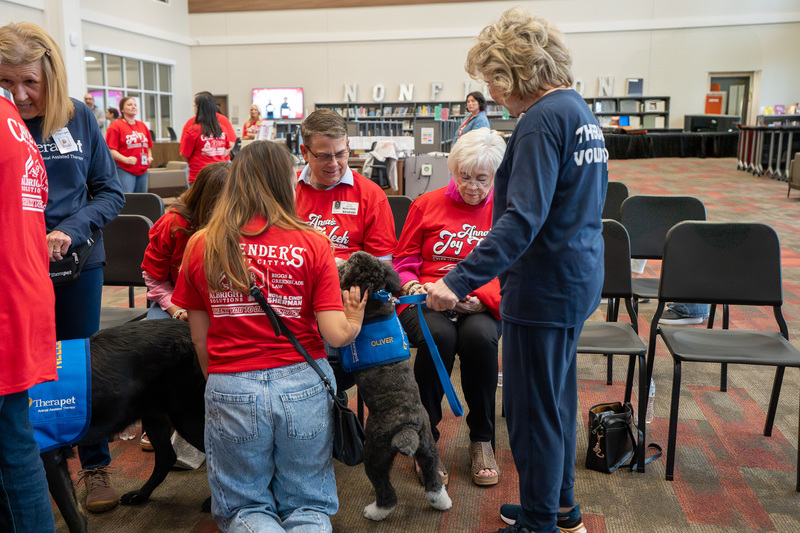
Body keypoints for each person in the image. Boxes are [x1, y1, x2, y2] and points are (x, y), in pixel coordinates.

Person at [424, 9, 605, 533]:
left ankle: (539, 522)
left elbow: (522, 219)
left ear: (517, 71)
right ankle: (558, 507)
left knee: (531, 412)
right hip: (576, 275)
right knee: (556, 402)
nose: (491, 93)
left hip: (545, 286)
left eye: (493, 79)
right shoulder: (578, 110)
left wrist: (455, 280)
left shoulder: (540, 120)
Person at [172, 140, 366, 532]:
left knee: (244, 507)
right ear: (286, 184)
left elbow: (199, 339)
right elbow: (335, 335)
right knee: (308, 505)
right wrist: (355, 318)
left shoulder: (202, 243)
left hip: (232, 381)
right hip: (302, 383)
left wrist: (222, 383)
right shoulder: (314, 243)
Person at [0, 22, 125, 514]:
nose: (20, 95)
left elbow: (110, 192)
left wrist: (71, 229)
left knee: (77, 366)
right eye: (6, 82)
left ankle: (95, 465)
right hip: (15, 268)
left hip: (75, 263)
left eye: (30, 82)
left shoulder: (79, 118)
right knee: (21, 372)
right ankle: (34, 466)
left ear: (51, 77)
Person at [394, 128, 505, 487]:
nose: (472, 187)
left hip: (480, 304)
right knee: (438, 337)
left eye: (482, 179)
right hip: (427, 298)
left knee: (481, 339)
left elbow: (513, 271)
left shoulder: (506, 212)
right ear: (453, 171)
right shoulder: (426, 204)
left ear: (496, 175)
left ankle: (482, 439)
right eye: (464, 176)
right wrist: (416, 287)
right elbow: (403, 262)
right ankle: (426, 440)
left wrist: (482, 300)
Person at [295, 108, 397, 391]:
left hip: (345, 298)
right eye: (324, 156)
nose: (334, 164)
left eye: (341, 154)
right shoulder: (288, 191)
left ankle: (329, 405)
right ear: (304, 152)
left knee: (330, 362)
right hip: (295, 295)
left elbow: (381, 269)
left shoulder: (370, 194)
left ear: (348, 146)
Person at [0, 86, 58, 533]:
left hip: (8, 298)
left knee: (12, 448)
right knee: (15, 444)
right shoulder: (13, 122)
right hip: (21, 292)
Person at [142, 162, 228, 320]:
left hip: (226, 303)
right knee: (158, 330)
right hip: (175, 300)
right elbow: (155, 279)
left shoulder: (245, 226)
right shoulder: (173, 224)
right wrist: (177, 312)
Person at [180, 92, 232, 184]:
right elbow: (227, 148)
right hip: (219, 176)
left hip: (199, 177)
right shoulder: (222, 129)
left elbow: (184, 154)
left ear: (199, 108)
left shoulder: (193, 130)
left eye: (194, 106)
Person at [106, 96, 153, 193]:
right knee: (128, 198)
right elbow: (110, 150)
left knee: (142, 199)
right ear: (122, 109)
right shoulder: (115, 126)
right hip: (124, 169)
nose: (133, 107)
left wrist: (149, 157)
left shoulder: (142, 125)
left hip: (142, 169)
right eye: (129, 104)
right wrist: (126, 159)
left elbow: (148, 146)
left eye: (135, 105)